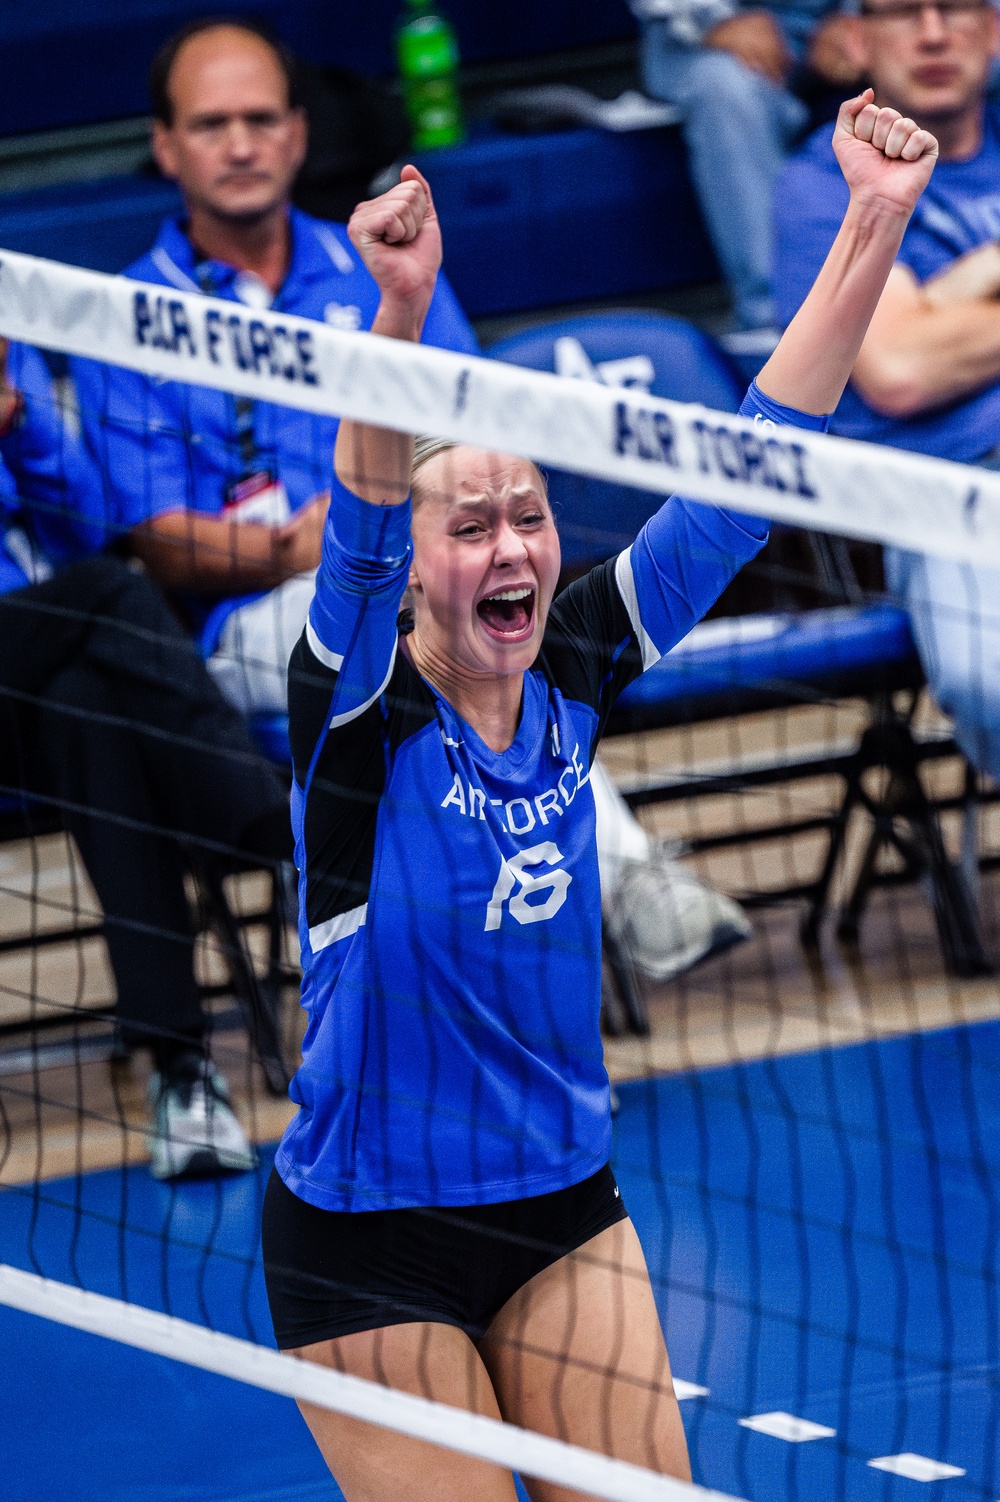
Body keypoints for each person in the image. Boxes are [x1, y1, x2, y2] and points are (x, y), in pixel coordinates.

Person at [260, 96, 937, 1500]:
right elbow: (368, 522)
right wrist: (402, 303)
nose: (511, 547)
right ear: (419, 560)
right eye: (473, 527)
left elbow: (750, 475)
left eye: (531, 517)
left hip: (566, 1205)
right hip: (370, 1235)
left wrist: (874, 215)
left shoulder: (574, 656)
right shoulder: (358, 708)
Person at [75, 13, 752, 988]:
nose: (240, 142)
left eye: (261, 119)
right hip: (263, 626)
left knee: (496, 628)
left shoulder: (378, 257)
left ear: (298, 135)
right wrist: (299, 547)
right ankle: (620, 881)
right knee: (441, 640)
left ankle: (594, 892)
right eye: (212, 123)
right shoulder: (129, 317)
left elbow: (483, 439)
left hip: (424, 583)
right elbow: (155, 544)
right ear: (166, 145)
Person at [0, 339, 294, 1180]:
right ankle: (264, 819)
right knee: (113, 590)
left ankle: (181, 1076)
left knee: (87, 712)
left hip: (37, 679)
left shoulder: (6, 351)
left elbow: (84, 527)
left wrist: (18, 425)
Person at [773, 0, 1000, 787]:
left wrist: (950, 298)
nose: (934, 32)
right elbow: (899, 366)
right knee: (991, 681)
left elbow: (921, 340)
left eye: (957, 7)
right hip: (946, 494)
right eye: (904, 10)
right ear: (858, 40)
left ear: (994, 29)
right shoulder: (822, 183)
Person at [629, 0, 861, 339]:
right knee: (725, 88)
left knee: (921, 59)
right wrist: (713, 22)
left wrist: (864, 17)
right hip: (703, 29)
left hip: (848, 17)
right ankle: (780, 321)